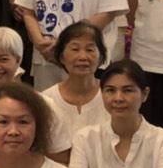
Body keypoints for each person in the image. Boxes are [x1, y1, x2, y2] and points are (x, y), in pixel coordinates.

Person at [38, 21, 110, 159]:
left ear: (101, 57)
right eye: (75, 49)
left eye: (90, 50)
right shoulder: (47, 99)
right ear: (61, 57)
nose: (82, 57)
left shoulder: (112, 96)